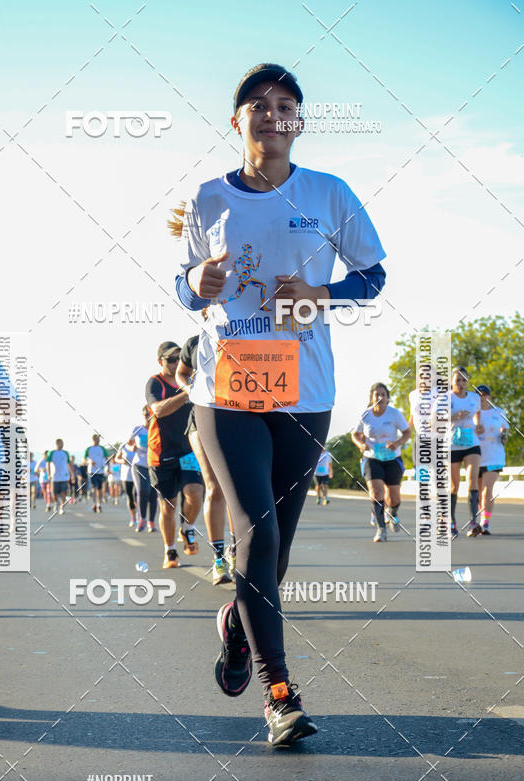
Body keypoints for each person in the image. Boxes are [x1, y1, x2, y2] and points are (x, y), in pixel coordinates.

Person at [173, 63, 386, 745]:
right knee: (257, 535)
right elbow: (185, 288)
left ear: (298, 121)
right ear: (236, 121)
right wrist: (196, 281)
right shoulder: (208, 197)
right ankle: (279, 693)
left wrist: (324, 294)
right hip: (225, 391)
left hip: (305, 391)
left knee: (276, 551)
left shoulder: (329, 193)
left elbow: (373, 276)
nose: (272, 115)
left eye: (285, 105)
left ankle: (239, 626)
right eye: (257, 106)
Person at [177, 331, 234, 585]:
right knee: (215, 487)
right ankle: (219, 559)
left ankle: (236, 549)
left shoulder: (246, 332)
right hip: (202, 418)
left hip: (239, 416)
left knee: (237, 488)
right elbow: (181, 373)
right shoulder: (194, 343)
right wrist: (190, 389)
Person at [146, 341, 204, 568]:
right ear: (160, 361)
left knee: (195, 494)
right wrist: (187, 393)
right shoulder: (155, 383)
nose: (175, 363)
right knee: (168, 506)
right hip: (161, 453)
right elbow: (158, 410)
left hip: (188, 450)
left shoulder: (191, 381)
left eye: (179, 358)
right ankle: (170, 551)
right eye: (171, 359)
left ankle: (187, 528)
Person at [351, 384, 411, 542]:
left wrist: (397, 443)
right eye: (376, 394)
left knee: (394, 498)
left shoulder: (395, 414)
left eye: (383, 394)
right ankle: (381, 530)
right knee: (376, 492)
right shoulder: (366, 414)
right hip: (372, 458)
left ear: (387, 397)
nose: (380, 398)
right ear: (371, 398)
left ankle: (392, 512)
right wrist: (361, 444)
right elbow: (355, 434)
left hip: (392, 459)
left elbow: (407, 432)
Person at [450, 366, 483, 539]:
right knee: (454, 486)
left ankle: (473, 523)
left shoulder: (474, 397)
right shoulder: (445, 398)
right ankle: (451, 522)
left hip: (471, 443)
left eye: (464, 380)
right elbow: (434, 420)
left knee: (472, 481)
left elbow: (477, 413)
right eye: (458, 380)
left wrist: (477, 424)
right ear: (451, 382)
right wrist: (454, 417)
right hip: (452, 445)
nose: (461, 383)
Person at [476, 384, 509, 535]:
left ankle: (485, 523)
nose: (482, 397)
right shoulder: (472, 413)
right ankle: (481, 516)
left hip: (494, 456)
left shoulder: (498, 412)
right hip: (476, 457)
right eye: (479, 395)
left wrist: (503, 435)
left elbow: (504, 428)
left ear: (490, 396)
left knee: (486, 490)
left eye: (484, 394)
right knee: (478, 492)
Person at [125, 406, 157, 533]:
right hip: (139, 465)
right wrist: (131, 448)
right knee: (143, 490)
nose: (147, 418)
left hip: (153, 465)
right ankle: (142, 519)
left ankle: (151, 522)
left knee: (153, 494)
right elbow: (128, 444)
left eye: (150, 415)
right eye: (145, 415)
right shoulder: (137, 429)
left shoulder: (157, 429)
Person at [46, 438, 73, 515]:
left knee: (64, 492)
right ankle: (56, 502)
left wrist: (72, 474)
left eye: (63, 443)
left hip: (64, 476)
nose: (62, 444)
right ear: (57, 444)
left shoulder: (66, 453)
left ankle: (61, 507)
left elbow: (69, 463)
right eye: (61, 443)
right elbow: (48, 464)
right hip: (54, 477)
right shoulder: (51, 453)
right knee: (54, 493)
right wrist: (49, 474)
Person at [84, 434, 110, 514]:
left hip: (101, 471)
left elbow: (107, 459)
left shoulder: (102, 448)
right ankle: (95, 504)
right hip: (92, 471)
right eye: (96, 439)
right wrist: (89, 462)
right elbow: (84, 460)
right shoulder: (89, 449)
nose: (97, 440)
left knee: (100, 489)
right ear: (93, 439)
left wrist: (108, 468)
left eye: (98, 439)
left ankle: (99, 504)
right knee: (94, 488)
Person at [114, 442, 137, 526]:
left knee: (137, 496)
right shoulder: (123, 446)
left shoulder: (140, 444)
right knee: (130, 497)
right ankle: (133, 518)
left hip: (138, 475)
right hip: (126, 476)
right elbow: (116, 459)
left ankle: (139, 515)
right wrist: (122, 461)